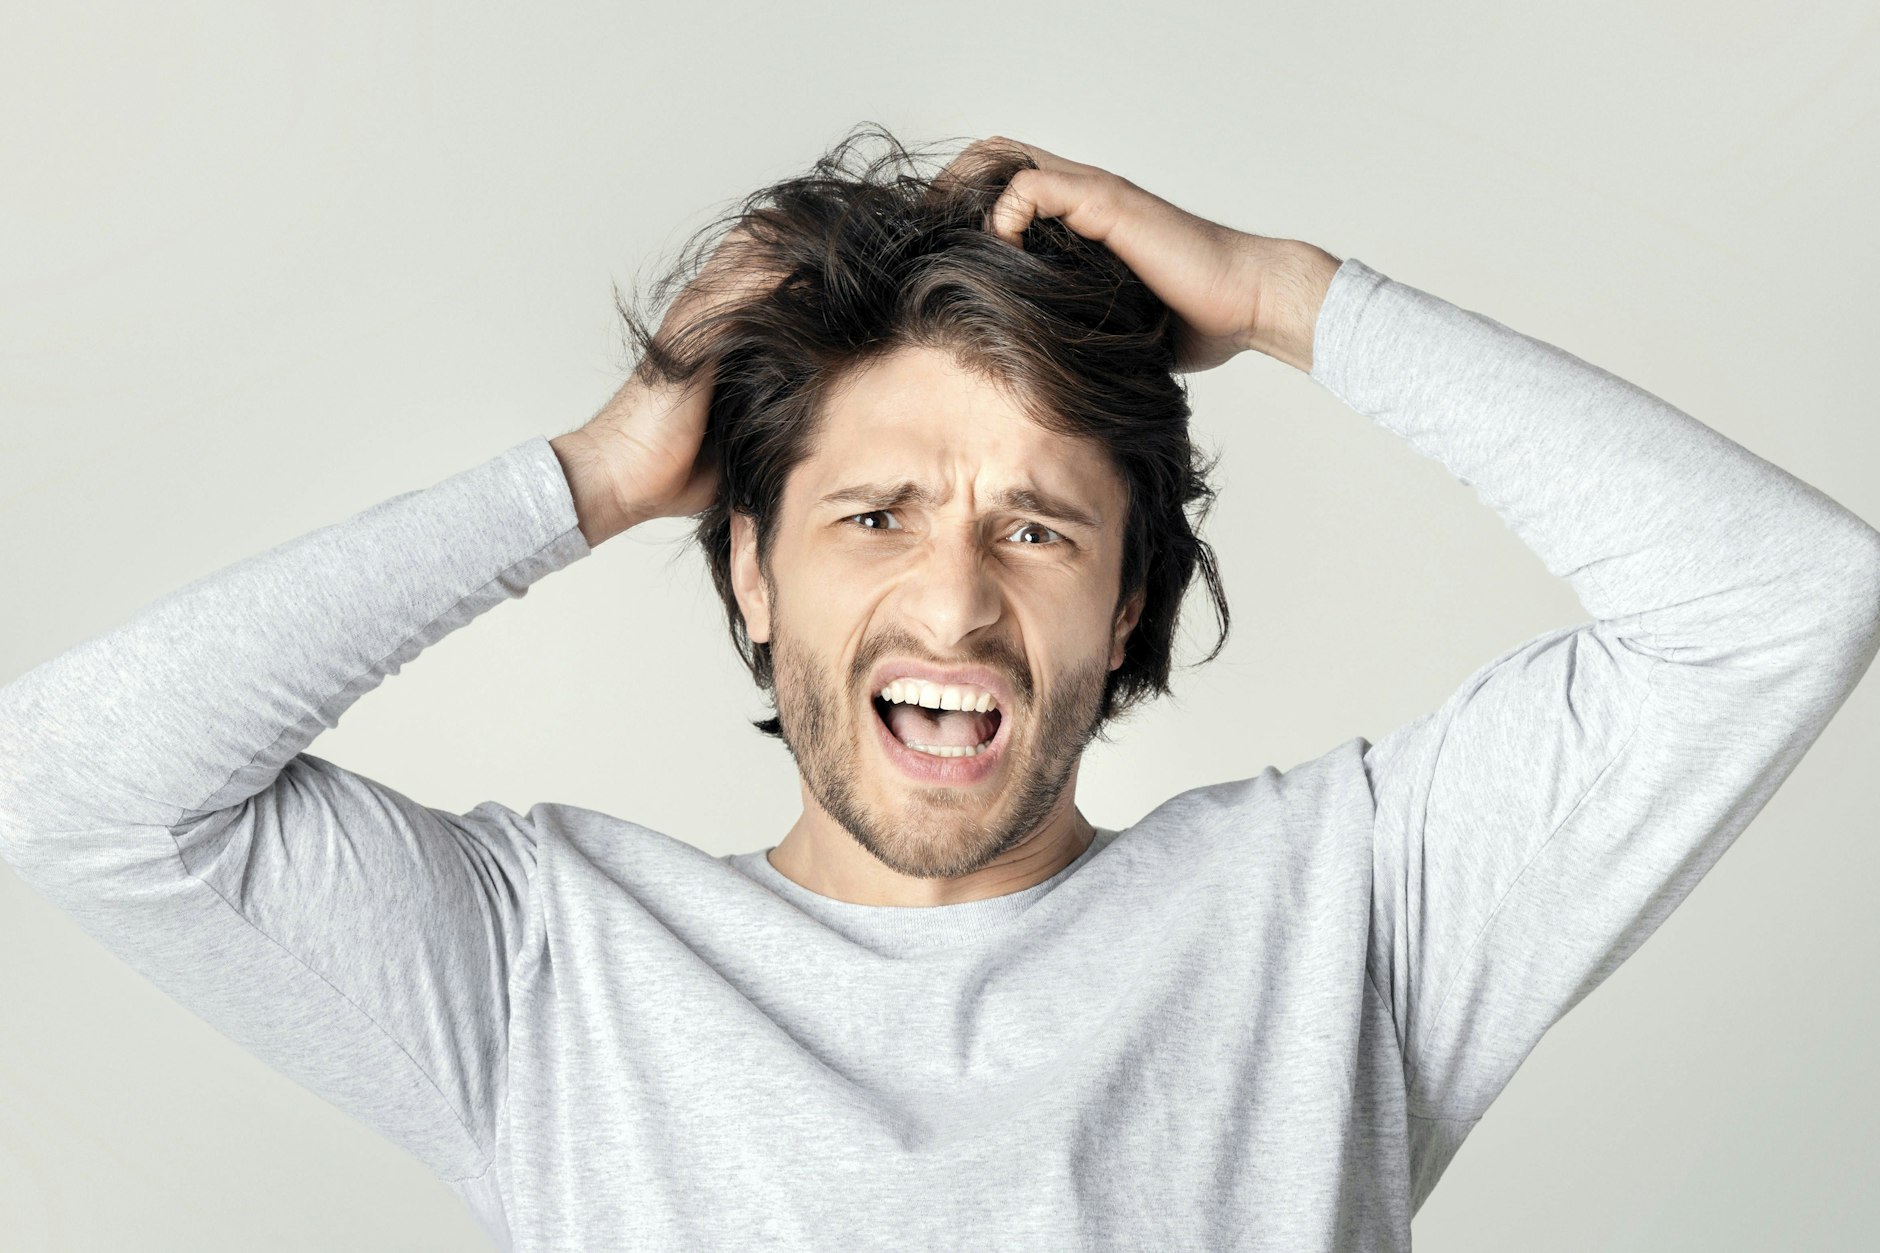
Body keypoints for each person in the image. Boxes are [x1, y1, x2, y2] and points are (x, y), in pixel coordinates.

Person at [1, 126, 1875, 1251]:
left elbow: (1783, 599)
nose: (958, 602)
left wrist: (1290, 296)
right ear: (751, 567)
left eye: (1039, 528)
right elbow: (77, 776)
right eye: (875, 514)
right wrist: (598, 467)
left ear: (1126, 601)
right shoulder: (549, 967)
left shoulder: (1346, 911)